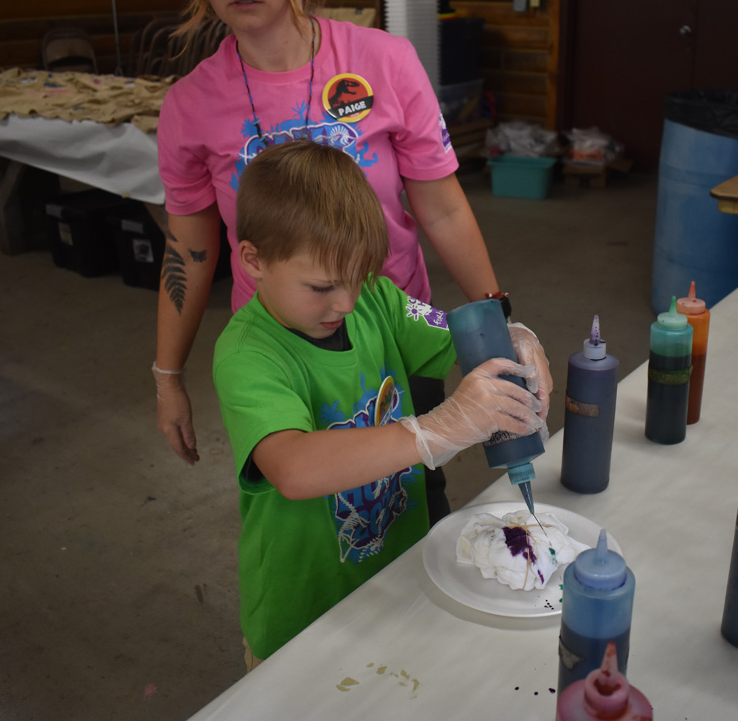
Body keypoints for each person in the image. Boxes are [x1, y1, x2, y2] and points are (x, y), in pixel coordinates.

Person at [152, 0, 548, 523]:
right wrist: (168, 376)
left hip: (396, 329)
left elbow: (442, 207)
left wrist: (501, 324)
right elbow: (190, 250)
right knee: (317, 518)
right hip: (286, 349)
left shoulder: (384, 61)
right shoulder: (190, 104)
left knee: (414, 497)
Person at [214, 140, 549, 667]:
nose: (346, 303)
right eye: (321, 286)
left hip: (399, 577)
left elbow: (459, 338)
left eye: (356, 278)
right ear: (253, 260)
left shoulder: (376, 298)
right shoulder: (248, 355)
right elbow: (293, 468)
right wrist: (435, 429)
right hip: (306, 612)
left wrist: (513, 340)